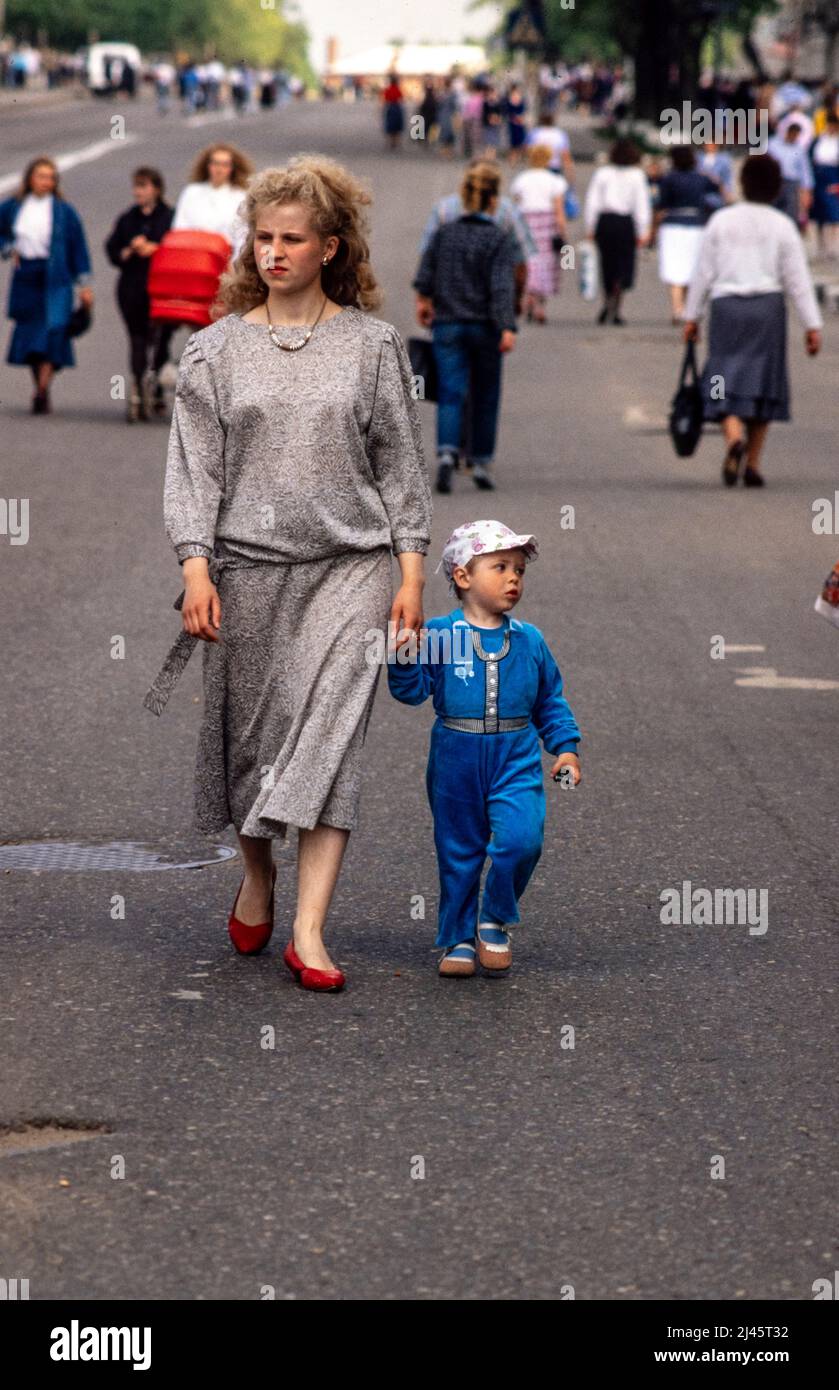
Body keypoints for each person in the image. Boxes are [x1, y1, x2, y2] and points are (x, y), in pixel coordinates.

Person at [144, 155, 432, 991]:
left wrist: (409, 574)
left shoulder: (373, 348)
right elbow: (193, 473)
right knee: (250, 750)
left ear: (330, 249)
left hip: (353, 569)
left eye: (292, 239)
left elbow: (400, 471)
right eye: (263, 237)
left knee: (330, 735)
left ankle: (309, 931)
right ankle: (260, 874)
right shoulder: (214, 353)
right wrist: (196, 570)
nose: (273, 252)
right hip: (246, 573)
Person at [387, 520, 581, 978]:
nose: (514, 577)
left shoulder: (529, 640)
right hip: (455, 757)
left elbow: (549, 700)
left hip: (516, 756)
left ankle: (494, 917)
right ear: (462, 576)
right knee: (458, 851)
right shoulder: (439, 633)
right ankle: (456, 939)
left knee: (522, 840)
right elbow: (412, 693)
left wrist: (566, 748)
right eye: (501, 567)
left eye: (519, 569)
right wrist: (400, 656)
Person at [683, 153, 822, 488]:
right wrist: (812, 325)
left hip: (726, 307)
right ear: (776, 188)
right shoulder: (782, 225)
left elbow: (702, 271)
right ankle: (754, 463)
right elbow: (797, 279)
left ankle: (733, 439)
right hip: (767, 308)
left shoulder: (721, 220)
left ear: (742, 183)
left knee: (721, 374)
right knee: (764, 380)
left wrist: (691, 315)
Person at [413, 163, 518, 494]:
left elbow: (424, 275)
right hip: (485, 327)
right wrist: (507, 326)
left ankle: (447, 455)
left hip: (447, 325)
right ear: (493, 200)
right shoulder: (498, 238)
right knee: (486, 394)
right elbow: (502, 287)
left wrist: (425, 303)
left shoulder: (445, 232)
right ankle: (481, 462)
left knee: (450, 392)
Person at [0, 156, 92, 414]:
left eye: (50, 177)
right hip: (26, 276)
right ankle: (39, 384)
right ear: (30, 178)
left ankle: (42, 390)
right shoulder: (14, 207)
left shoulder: (64, 212)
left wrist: (84, 284)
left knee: (53, 331)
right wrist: (8, 248)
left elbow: (79, 248)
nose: (45, 182)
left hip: (56, 279)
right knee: (30, 336)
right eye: (41, 176)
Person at [104, 166, 174, 422]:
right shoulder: (128, 218)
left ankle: (153, 382)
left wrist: (157, 247)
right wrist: (129, 250)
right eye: (136, 187)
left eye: (143, 186)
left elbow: (179, 245)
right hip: (132, 285)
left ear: (156, 189)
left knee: (161, 337)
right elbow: (112, 248)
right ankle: (137, 386)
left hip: (163, 286)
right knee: (137, 337)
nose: (138, 192)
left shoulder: (170, 216)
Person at [584, 139, 652, 325]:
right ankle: (617, 305)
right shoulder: (637, 175)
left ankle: (607, 301)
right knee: (624, 265)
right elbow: (642, 205)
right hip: (625, 223)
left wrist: (590, 226)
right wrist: (643, 230)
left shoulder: (602, 173)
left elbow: (593, 201)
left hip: (605, 222)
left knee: (607, 264)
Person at [652, 145, 717, 323]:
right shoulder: (701, 178)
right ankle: (688, 308)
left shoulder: (669, 179)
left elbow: (661, 203)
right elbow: (717, 189)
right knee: (691, 268)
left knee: (674, 269)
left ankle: (676, 308)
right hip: (696, 224)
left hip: (672, 224)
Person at [509, 143, 568, 324]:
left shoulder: (522, 179)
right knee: (546, 263)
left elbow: (515, 203)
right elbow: (559, 209)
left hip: (525, 221)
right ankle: (540, 304)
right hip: (547, 223)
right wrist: (563, 232)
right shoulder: (554, 180)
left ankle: (529, 297)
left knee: (528, 261)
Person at [767, 122, 814, 226]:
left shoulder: (799, 149)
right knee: (771, 210)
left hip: (791, 184)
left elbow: (805, 170)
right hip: (774, 181)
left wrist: (807, 191)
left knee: (790, 213)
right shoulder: (773, 144)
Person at [809, 114, 839, 258]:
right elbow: (810, 157)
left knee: (834, 213)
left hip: (833, 176)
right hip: (818, 176)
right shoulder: (819, 139)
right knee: (819, 213)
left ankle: (833, 246)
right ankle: (821, 245)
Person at [525, 110, 575, 184]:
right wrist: (570, 172)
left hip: (538, 167)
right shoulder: (560, 134)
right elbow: (565, 154)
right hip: (555, 166)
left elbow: (528, 150)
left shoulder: (535, 133)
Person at [382, 71, 405, 150]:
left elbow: (384, 100)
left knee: (390, 125)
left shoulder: (387, 90)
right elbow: (401, 99)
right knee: (397, 126)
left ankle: (391, 142)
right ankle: (396, 142)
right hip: (397, 108)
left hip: (390, 107)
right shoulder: (398, 89)